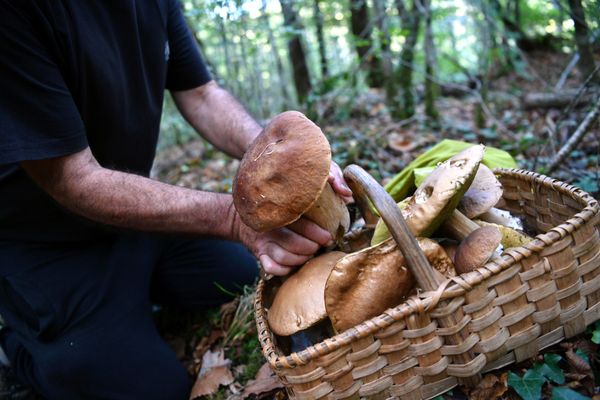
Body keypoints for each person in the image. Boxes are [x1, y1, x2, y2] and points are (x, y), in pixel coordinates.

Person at [0, 1, 352, 398]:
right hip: (46, 247)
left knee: (242, 272)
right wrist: (234, 220)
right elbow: (72, 178)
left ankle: (133, 307)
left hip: (134, 222)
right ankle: (17, 347)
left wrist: (281, 161)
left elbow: (201, 94)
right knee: (154, 390)